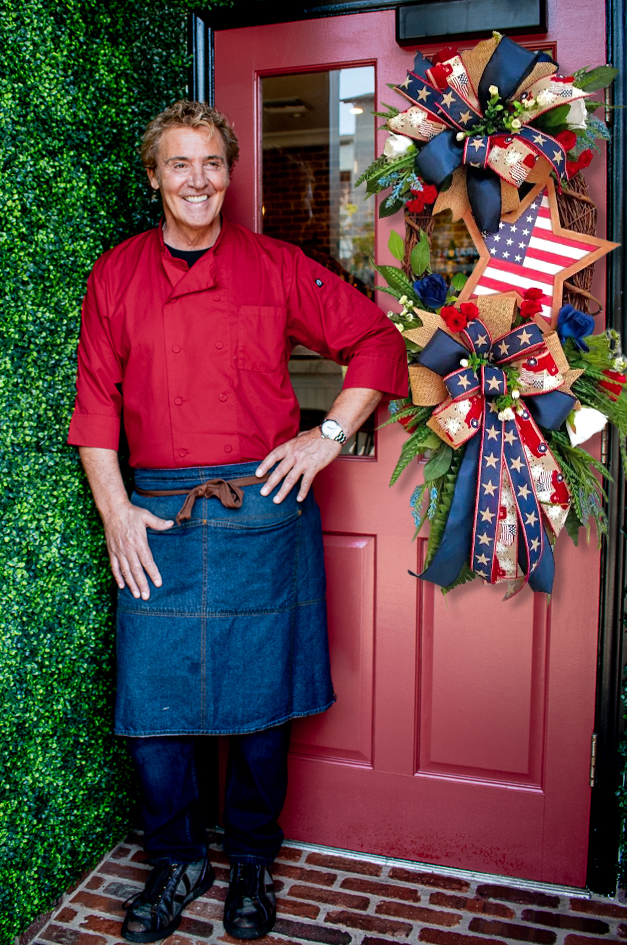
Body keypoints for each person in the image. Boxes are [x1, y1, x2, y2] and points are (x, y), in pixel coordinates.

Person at [68, 100, 407, 943]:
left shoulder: (277, 266)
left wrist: (325, 439)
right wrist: (115, 512)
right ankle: (178, 857)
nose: (198, 180)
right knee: (155, 710)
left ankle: (252, 860)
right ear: (154, 177)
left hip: (263, 509)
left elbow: (375, 344)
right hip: (155, 515)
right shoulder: (113, 275)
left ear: (229, 171)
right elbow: (95, 408)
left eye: (212, 163)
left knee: (261, 713)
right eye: (179, 164)